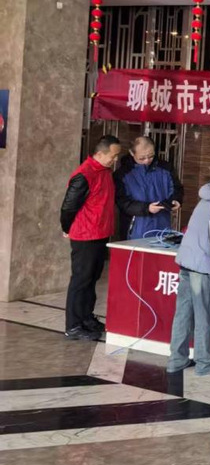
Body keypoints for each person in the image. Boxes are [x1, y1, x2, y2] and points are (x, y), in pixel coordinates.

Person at [60, 135, 121, 340]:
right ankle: (73, 325)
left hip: (101, 232)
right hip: (85, 235)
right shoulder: (84, 174)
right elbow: (69, 206)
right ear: (100, 154)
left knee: (92, 278)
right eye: (113, 156)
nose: (115, 160)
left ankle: (86, 317)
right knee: (81, 280)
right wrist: (66, 227)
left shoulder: (105, 171)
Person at [167, 175, 210, 376]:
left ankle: (176, 360)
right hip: (204, 264)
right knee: (204, 316)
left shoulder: (207, 196)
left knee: (183, 314)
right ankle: (205, 363)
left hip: (186, 261)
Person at [115, 136, 183, 240]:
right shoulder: (122, 174)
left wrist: (176, 200)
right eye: (142, 158)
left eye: (151, 156)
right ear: (132, 153)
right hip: (135, 229)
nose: (147, 161)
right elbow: (122, 202)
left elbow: (177, 188)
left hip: (162, 226)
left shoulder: (166, 168)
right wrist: (147, 208)